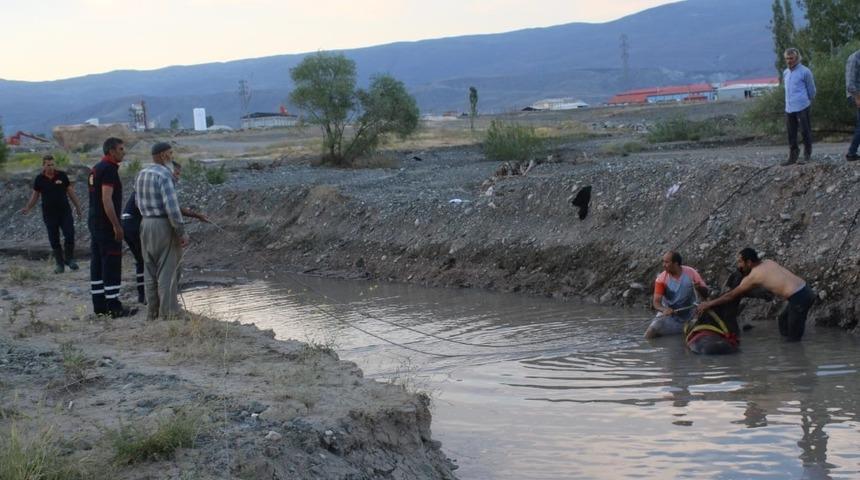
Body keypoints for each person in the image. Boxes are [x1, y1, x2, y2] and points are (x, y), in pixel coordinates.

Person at [122, 159, 207, 305]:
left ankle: (147, 299)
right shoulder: (164, 180)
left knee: (144, 262)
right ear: (169, 171)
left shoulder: (147, 179)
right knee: (153, 263)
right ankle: (158, 302)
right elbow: (173, 209)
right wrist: (181, 230)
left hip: (128, 222)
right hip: (137, 223)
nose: (178, 177)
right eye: (177, 173)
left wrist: (196, 215)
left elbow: (172, 207)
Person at [697, 248, 815, 342]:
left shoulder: (754, 276)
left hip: (799, 298)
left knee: (793, 339)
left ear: (749, 262)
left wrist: (709, 304)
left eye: (740, 262)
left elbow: (731, 295)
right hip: (805, 290)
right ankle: (789, 351)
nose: (739, 266)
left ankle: (796, 361)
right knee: (783, 321)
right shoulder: (768, 262)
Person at [136, 143, 191, 320]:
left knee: (150, 270)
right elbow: (172, 208)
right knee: (168, 270)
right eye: (170, 153)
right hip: (162, 225)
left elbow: (138, 202)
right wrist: (181, 231)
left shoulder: (142, 174)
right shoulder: (164, 175)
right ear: (161, 156)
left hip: (145, 224)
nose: (171, 156)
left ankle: (152, 312)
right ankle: (169, 314)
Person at [89, 137, 135, 318]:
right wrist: (117, 225)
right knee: (112, 263)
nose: (124, 152)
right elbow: (106, 199)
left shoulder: (96, 169)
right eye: (121, 149)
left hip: (94, 222)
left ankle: (99, 306)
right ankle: (114, 306)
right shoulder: (108, 170)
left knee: (98, 263)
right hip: (106, 225)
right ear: (111, 151)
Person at [19, 154, 83, 273]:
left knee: (69, 234)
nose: (51, 167)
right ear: (43, 165)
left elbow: (71, 192)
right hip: (49, 214)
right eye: (48, 165)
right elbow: (35, 196)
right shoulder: (39, 179)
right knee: (54, 239)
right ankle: (60, 264)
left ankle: (69, 259)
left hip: (65, 212)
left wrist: (78, 207)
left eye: (52, 164)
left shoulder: (62, 176)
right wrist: (28, 208)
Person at [645, 251, 709, 339]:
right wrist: (664, 309)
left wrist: (699, 288)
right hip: (670, 315)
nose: (663, 265)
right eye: (663, 262)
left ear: (676, 264)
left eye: (666, 262)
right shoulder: (661, 279)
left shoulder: (691, 273)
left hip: (690, 314)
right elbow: (656, 303)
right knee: (650, 332)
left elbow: (706, 294)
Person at [781, 48, 816, 166]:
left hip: (802, 106)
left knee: (805, 131)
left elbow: (812, 90)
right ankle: (793, 156)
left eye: (791, 58)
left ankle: (807, 155)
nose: (789, 61)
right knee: (791, 133)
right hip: (789, 107)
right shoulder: (785, 72)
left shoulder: (805, 71)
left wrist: (807, 102)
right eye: (787, 58)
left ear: (797, 58)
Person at [845, 48, 860, 162]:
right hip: (856, 95)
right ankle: (851, 153)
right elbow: (850, 83)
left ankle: (852, 152)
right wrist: (857, 97)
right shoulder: (855, 58)